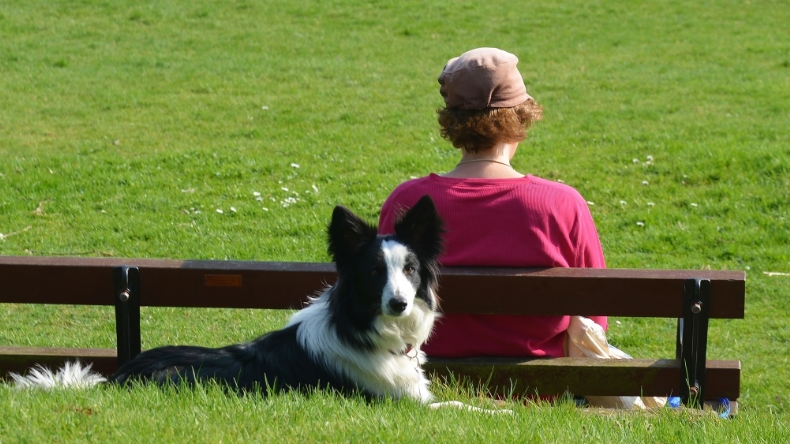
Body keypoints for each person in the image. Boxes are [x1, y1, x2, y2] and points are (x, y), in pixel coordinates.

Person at [378, 48, 607, 359]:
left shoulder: (408, 202)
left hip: (428, 382)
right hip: (543, 390)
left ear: (452, 121)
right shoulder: (562, 205)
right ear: (521, 118)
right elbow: (595, 315)